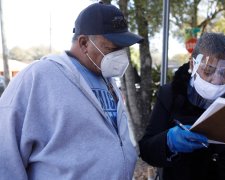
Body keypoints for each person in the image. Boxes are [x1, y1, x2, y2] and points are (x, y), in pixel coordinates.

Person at [0, 2, 143, 179]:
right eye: (112, 49)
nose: (120, 56)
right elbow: (5, 152)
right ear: (84, 43)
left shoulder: (108, 80)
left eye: (123, 49)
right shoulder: (39, 77)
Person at [139, 32, 225, 180]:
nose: (216, 80)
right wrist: (168, 142)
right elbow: (147, 150)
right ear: (193, 64)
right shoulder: (170, 94)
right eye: (208, 71)